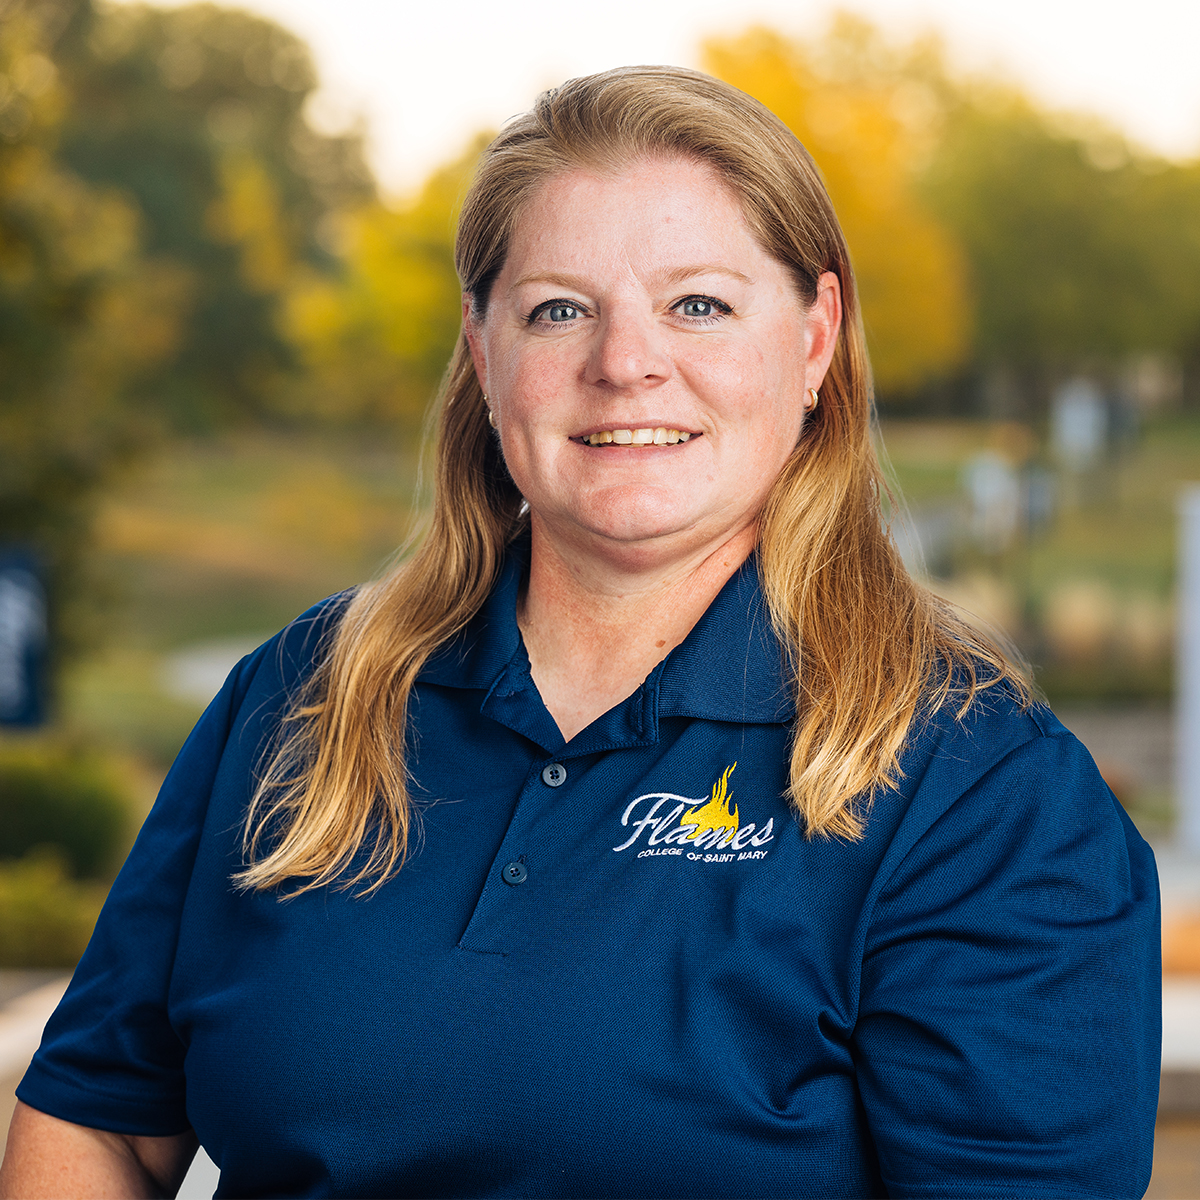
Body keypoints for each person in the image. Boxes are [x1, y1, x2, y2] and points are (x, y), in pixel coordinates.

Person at [1, 66, 1159, 1199]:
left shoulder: (976, 784)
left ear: (814, 339)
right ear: (483, 351)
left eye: (697, 304)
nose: (624, 365)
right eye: (560, 310)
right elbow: (97, 1121)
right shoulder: (306, 694)